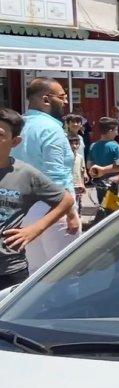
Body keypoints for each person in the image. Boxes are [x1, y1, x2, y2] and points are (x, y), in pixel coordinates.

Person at [0, 107, 75, 290]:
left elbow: (65, 200)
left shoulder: (25, 174)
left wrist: (35, 229)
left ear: (15, 142)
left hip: (9, 270)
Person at [12, 78, 79, 269]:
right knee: (66, 272)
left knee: (36, 272)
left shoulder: (18, 126)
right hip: (53, 209)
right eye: (62, 96)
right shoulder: (51, 129)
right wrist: (71, 213)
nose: (66, 101)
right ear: (45, 99)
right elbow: (56, 176)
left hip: (23, 209)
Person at [86, 117, 119, 203]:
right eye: (116, 130)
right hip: (112, 182)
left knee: (101, 204)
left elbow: (89, 165)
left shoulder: (93, 146)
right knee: (111, 206)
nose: (117, 133)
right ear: (110, 131)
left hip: (98, 182)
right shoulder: (115, 146)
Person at [68, 134, 86, 215]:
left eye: (76, 143)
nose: (74, 146)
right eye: (72, 143)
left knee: (78, 204)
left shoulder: (80, 157)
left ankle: (78, 219)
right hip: (69, 185)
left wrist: (83, 184)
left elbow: (82, 171)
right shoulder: (65, 157)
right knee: (70, 204)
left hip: (78, 185)